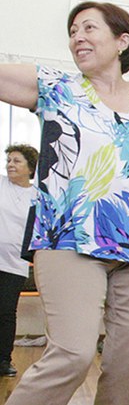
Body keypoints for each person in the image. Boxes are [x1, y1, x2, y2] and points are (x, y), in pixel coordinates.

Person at [0, 1, 129, 405]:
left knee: (128, 366)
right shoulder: (56, 87)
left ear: (122, 40)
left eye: (89, 28)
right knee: (72, 354)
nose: (78, 37)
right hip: (68, 239)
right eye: (73, 31)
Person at [0, 144, 38, 377]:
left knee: (5, 311)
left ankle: (3, 360)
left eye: (17, 161)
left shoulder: (37, 195)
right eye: (9, 161)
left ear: (30, 168)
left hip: (15, 263)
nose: (10, 165)